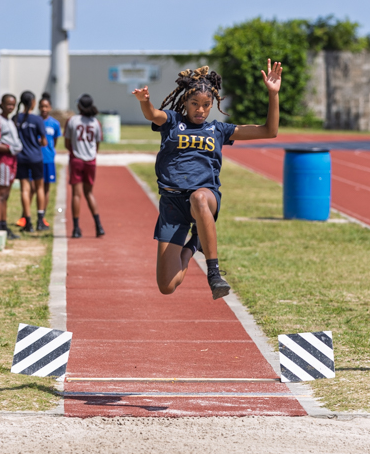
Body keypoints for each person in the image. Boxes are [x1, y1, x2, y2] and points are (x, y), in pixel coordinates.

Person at [132, 61, 282, 300]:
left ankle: (214, 273)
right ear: (185, 102)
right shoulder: (172, 122)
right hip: (172, 204)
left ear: (212, 104)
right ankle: (195, 243)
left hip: (205, 198)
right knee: (167, 286)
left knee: (199, 197)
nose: (200, 110)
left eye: (206, 105)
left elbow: (269, 131)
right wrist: (144, 101)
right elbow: (153, 114)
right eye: (194, 104)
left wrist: (273, 95)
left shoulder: (219, 130)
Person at [64, 94, 104, 239]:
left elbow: (67, 143)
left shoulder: (72, 121)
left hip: (76, 159)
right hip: (90, 161)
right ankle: (98, 226)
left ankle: (76, 229)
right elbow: (97, 144)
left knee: (76, 194)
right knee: (89, 193)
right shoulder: (96, 122)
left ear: (79, 106)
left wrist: (75, 151)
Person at [13, 91, 48, 232]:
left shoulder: (15, 119)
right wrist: (36, 142)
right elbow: (44, 141)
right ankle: (40, 219)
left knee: (25, 189)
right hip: (36, 157)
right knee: (39, 187)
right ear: (33, 102)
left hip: (21, 157)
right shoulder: (37, 120)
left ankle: (27, 221)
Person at [0, 94, 23, 239]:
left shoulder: (9, 121)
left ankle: (4, 225)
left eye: (13, 105)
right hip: (3, 160)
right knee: (0, 194)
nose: (10, 107)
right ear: (2, 104)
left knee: (6, 194)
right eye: (8, 104)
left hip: (12, 160)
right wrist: (10, 148)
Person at [39, 93, 61, 205]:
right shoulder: (36, 121)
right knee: (34, 187)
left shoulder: (54, 124)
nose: (44, 109)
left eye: (46, 106)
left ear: (50, 107)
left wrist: (50, 151)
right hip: (36, 159)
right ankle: (26, 214)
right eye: (42, 106)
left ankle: (43, 213)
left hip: (48, 159)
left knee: (46, 187)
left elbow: (55, 141)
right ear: (38, 107)